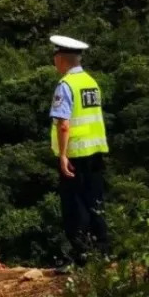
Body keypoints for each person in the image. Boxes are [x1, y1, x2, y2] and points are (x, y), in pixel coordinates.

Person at [49, 35, 110, 268]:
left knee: (75, 206)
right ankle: (102, 252)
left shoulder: (66, 86)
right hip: (95, 151)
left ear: (61, 59)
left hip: (75, 154)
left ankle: (81, 256)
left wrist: (63, 155)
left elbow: (63, 123)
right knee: (95, 201)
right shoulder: (91, 82)